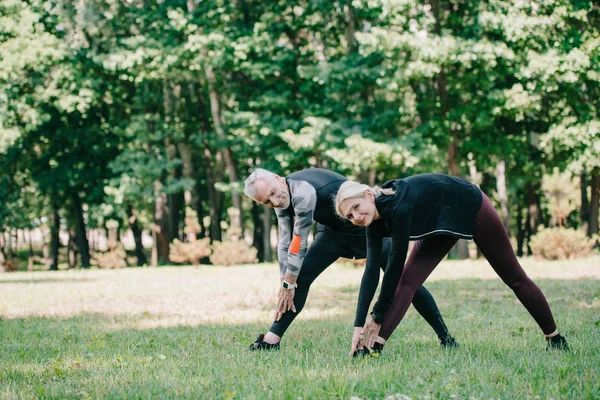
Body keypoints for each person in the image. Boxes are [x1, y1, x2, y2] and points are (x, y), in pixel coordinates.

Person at [334, 173, 569, 356]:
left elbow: (393, 267)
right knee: (409, 281)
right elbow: (371, 271)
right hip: (439, 221)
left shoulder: (398, 207)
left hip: (468, 205)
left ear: (368, 195)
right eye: (349, 217)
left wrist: (376, 315)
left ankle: (555, 339)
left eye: (356, 207)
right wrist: (358, 326)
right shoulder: (372, 221)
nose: (356, 217)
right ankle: (373, 349)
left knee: (515, 278)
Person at [243, 168, 458, 352]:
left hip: (364, 228)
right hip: (332, 234)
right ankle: (272, 339)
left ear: (278, 178)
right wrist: (285, 282)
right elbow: (284, 243)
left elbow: (299, 240)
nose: (274, 201)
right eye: (266, 202)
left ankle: (445, 337)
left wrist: (289, 281)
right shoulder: (281, 201)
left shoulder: (302, 192)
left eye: (272, 193)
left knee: (404, 280)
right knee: (301, 276)